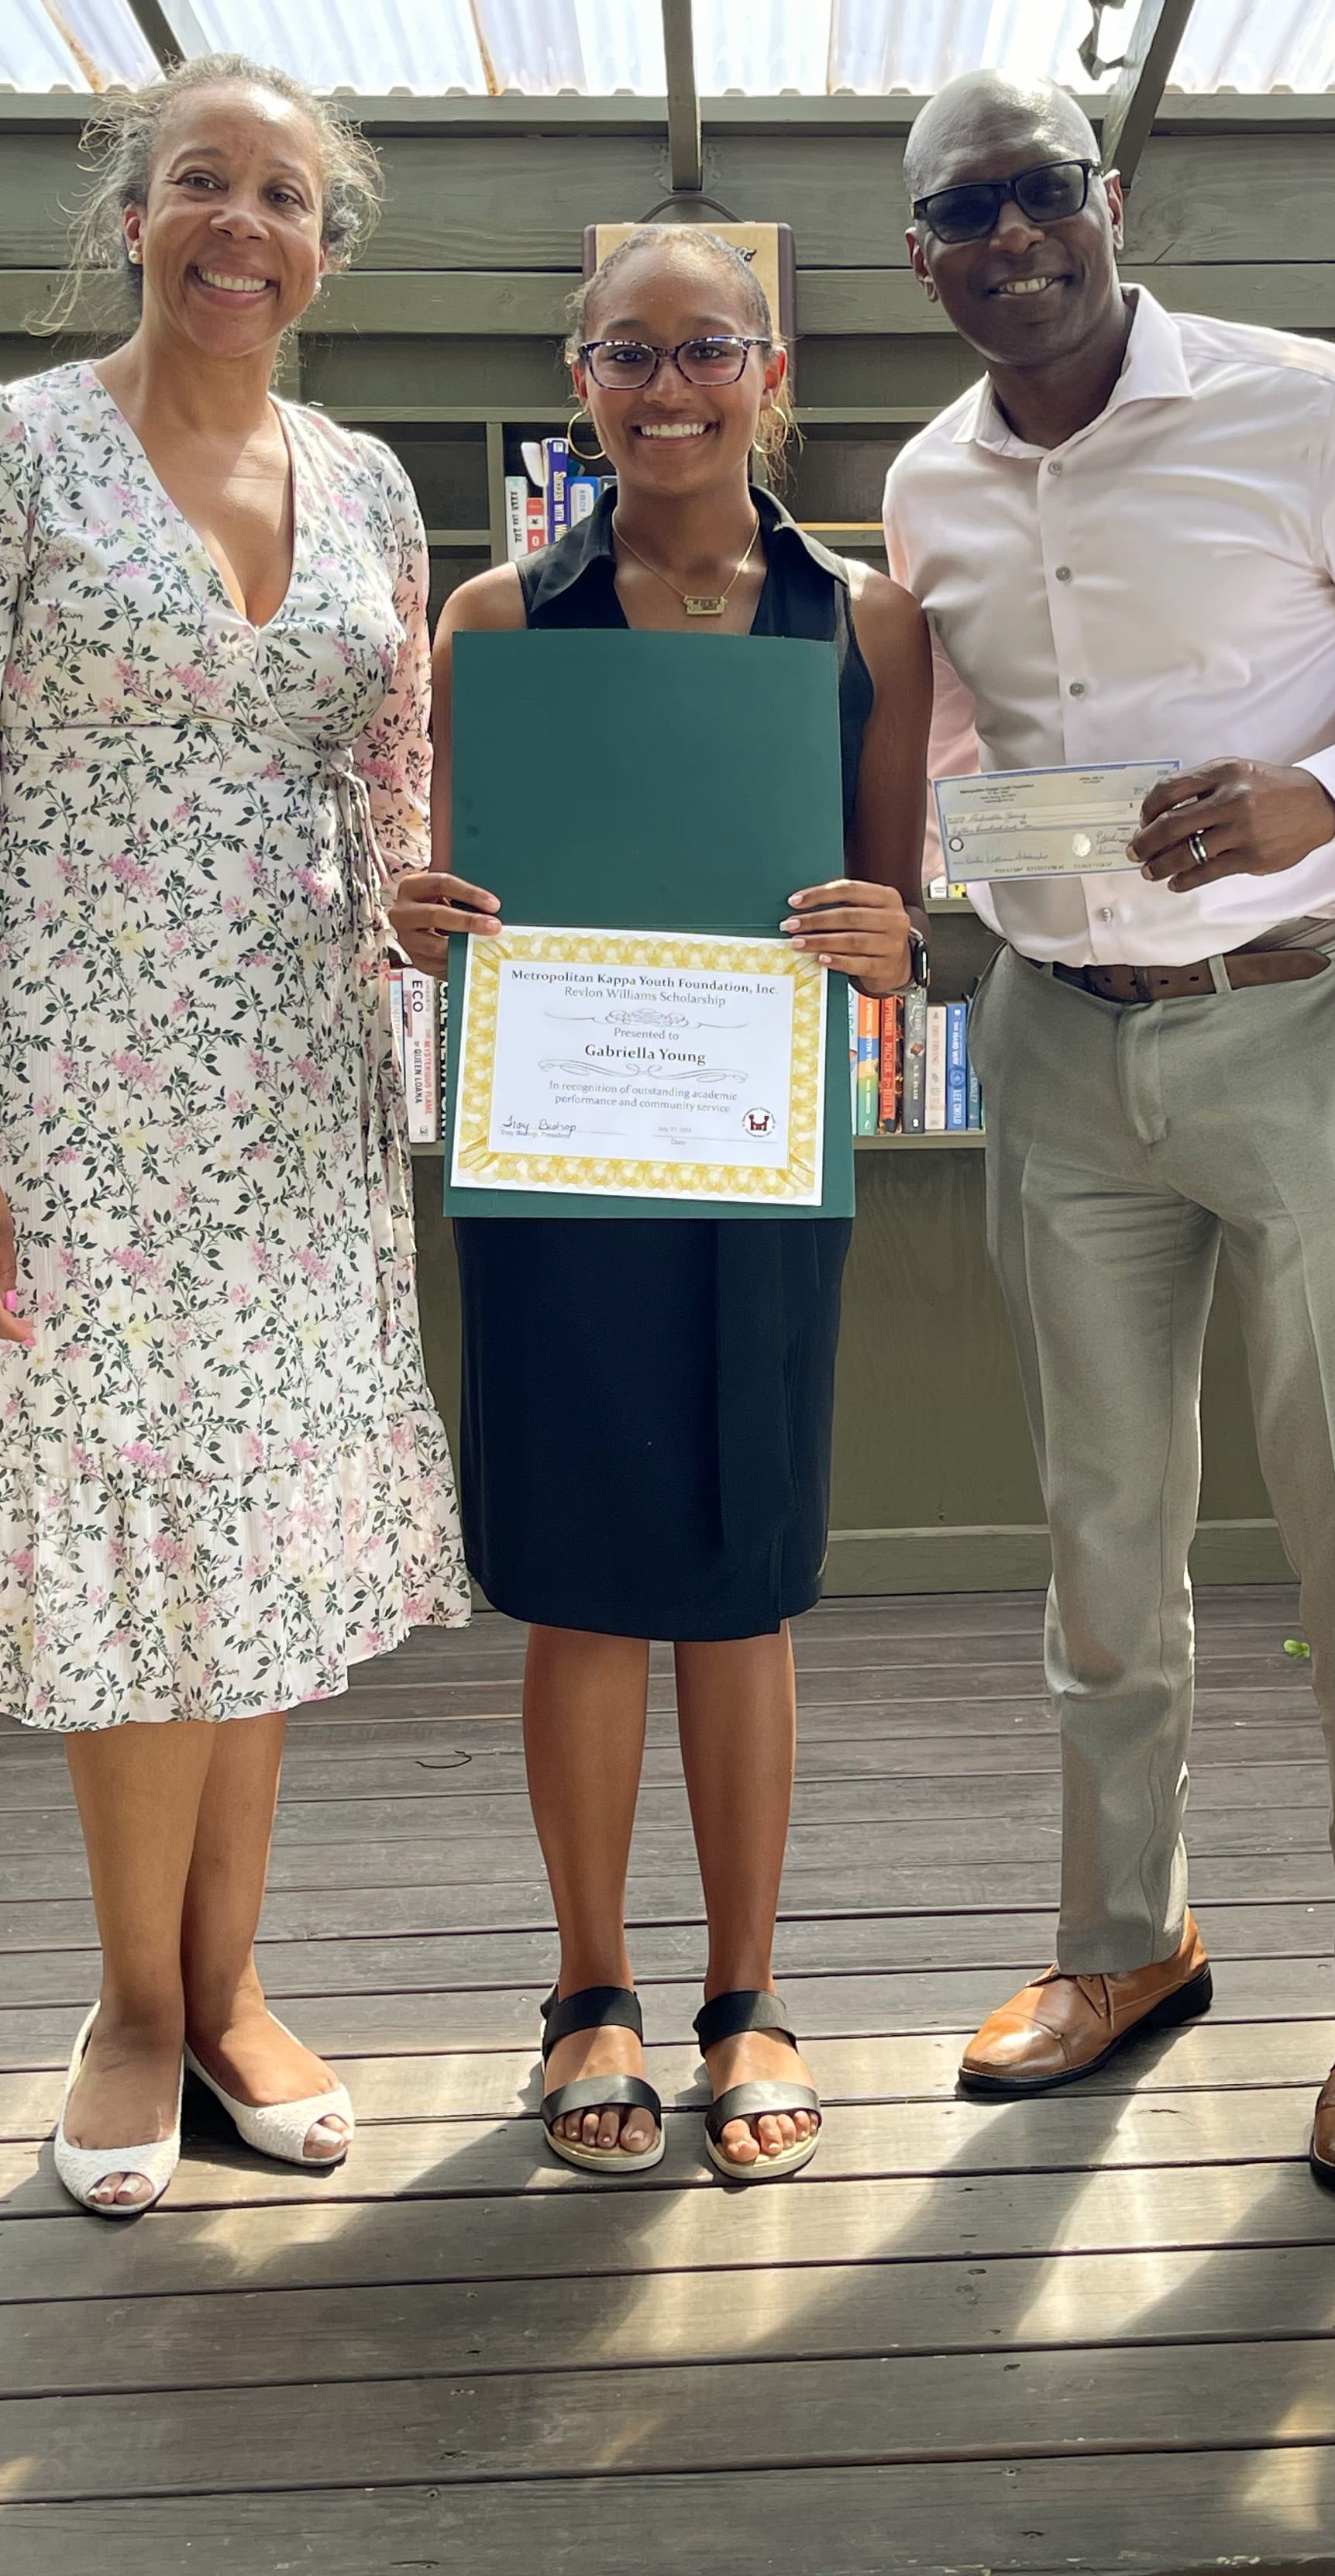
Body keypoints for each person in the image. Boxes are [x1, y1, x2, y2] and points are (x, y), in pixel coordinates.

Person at [885, 71, 1335, 2186]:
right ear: (923, 253)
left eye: (1040, 192)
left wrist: (1327, 792)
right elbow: (965, 748)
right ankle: (1125, 1941)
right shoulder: (930, 487)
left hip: (1300, 1026)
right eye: (964, 209)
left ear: (1110, 198)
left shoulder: (1310, 410)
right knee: (1105, 1532)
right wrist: (899, 881)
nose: (1012, 235)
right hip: (1056, 1050)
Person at [0, 55, 471, 2217]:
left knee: (260, 1528)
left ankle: (229, 1986)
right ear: (137, 214)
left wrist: (416, 891)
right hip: (70, 1098)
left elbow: (391, 784)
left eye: (284, 195)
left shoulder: (372, 484)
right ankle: (128, 2007)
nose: (241, 225)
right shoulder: (4, 452)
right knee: (127, 1521)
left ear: (322, 242)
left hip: (296, 1093)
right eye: (204, 182)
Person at [391, 226, 931, 2185]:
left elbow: (900, 931)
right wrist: (426, 918)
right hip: (559, 1161)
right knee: (579, 1575)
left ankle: (747, 1996)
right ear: (581, 377)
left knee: (745, 1568)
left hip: (760, 1153)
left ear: (771, 366)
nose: (673, 384)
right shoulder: (497, 626)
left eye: (709, 347)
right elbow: (465, 905)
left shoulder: (867, 625)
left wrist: (891, 938)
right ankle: (590, 1989)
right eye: (633, 351)